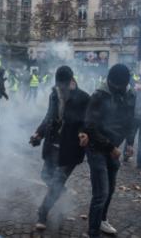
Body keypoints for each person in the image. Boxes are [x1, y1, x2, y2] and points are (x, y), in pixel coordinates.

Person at [30, 66, 90, 230]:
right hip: (52, 145)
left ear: (72, 82)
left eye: (63, 87)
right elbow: (49, 117)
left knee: (56, 182)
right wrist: (38, 133)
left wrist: (83, 133)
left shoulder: (84, 98)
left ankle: (43, 213)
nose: (61, 90)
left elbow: (87, 122)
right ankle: (60, 190)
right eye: (58, 86)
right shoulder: (54, 95)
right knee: (45, 176)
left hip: (71, 149)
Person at [85, 64, 136, 238]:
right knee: (101, 193)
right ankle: (93, 233)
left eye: (121, 87)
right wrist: (110, 147)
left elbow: (131, 120)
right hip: (96, 148)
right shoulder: (99, 95)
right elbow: (90, 127)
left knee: (111, 188)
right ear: (109, 81)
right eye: (114, 86)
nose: (118, 90)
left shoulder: (130, 93)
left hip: (114, 148)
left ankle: (102, 220)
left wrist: (130, 143)